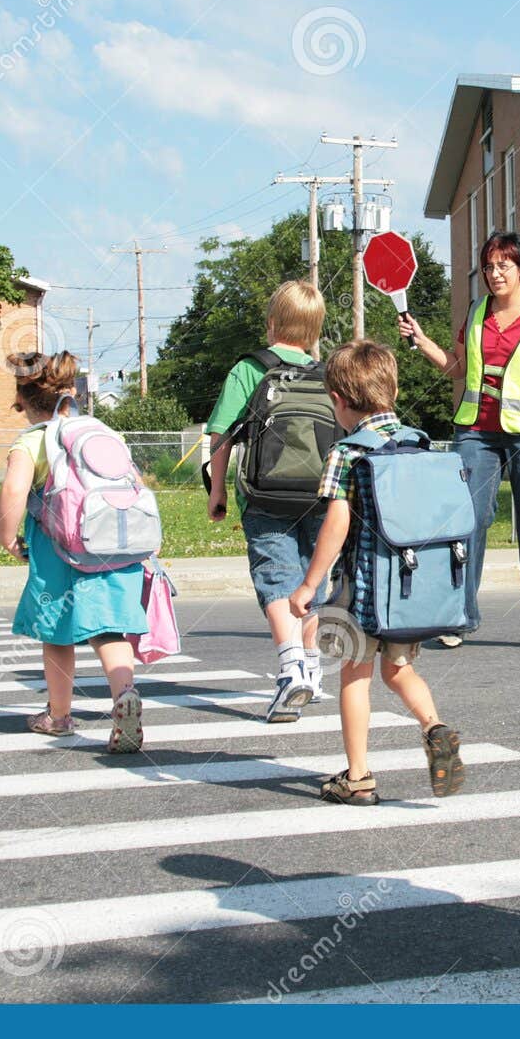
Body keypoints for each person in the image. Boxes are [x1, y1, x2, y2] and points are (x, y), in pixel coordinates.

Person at [287, 340, 464, 806]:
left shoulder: (347, 452)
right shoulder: (419, 443)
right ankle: (434, 725)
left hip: (361, 590)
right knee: (399, 668)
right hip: (410, 587)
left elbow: (337, 522)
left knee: (355, 673)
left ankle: (359, 776)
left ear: (341, 401)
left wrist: (310, 583)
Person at [399, 231, 520, 650]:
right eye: (488, 266)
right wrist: (421, 340)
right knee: (467, 522)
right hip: (477, 432)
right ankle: (458, 618)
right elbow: (456, 369)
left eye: (503, 265)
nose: (494, 273)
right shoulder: (475, 313)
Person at [0, 351, 145, 754]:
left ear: (25, 401)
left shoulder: (32, 440)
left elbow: (13, 490)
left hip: (57, 547)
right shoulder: (100, 431)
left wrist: (7, 536)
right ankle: (124, 693)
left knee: (57, 633)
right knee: (109, 629)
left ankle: (59, 716)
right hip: (111, 545)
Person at [205, 281, 329, 723]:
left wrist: (217, 491)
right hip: (320, 496)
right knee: (313, 580)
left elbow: (221, 435)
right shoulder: (327, 373)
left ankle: (291, 664)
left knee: (275, 576)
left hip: (265, 495)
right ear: (315, 330)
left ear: (272, 322)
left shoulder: (249, 369)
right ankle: (312, 669)